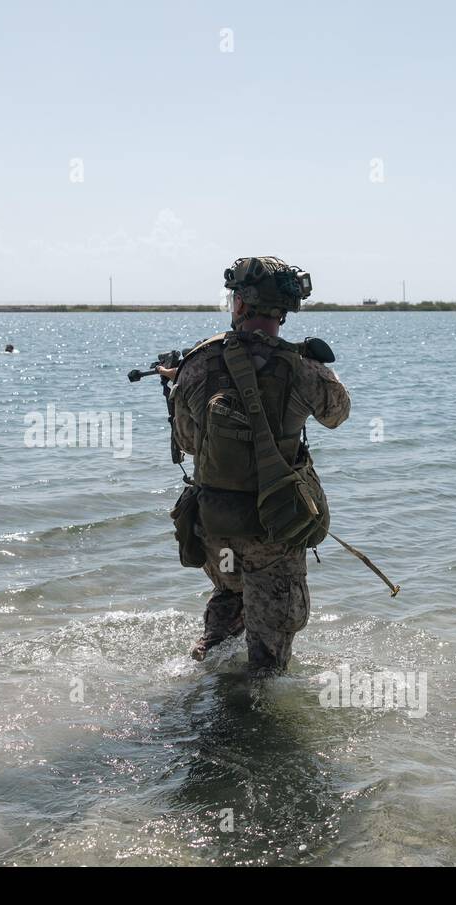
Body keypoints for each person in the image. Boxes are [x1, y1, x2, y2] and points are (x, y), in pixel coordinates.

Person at [159, 257, 350, 673]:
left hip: (215, 526)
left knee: (228, 600)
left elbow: (189, 443)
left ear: (240, 305)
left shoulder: (196, 363)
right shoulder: (300, 367)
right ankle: (258, 722)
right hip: (273, 530)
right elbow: (337, 414)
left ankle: (203, 673)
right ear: (283, 311)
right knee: (269, 663)